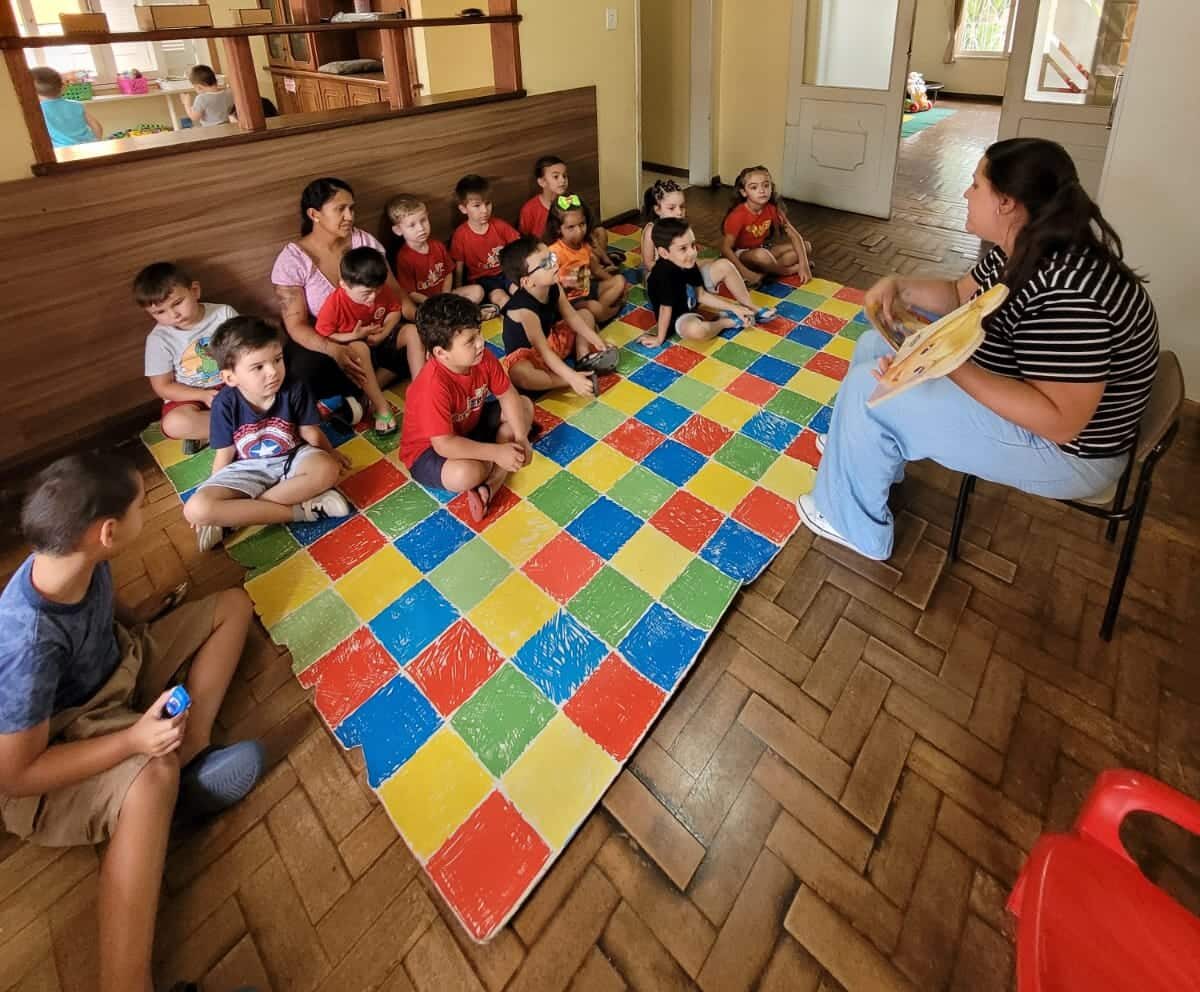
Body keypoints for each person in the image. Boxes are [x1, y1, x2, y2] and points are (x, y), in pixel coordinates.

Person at [799, 137, 1160, 561]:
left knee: (867, 391)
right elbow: (958, 294)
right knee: (870, 343)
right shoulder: (1024, 245)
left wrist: (942, 362)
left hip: (1071, 456)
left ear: (1006, 203)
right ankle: (868, 455)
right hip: (1034, 401)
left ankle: (853, 525)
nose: (965, 194)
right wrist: (901, 286)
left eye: (975, 185)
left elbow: (1061, 423)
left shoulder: (1071, 292)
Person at [0, 451, 263, 992]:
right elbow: (17, 777)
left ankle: (191, 757)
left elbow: (102, 600)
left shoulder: (73, 557)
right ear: (110, 532)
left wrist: (143, 620)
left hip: (120, 667)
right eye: (145, 503)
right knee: (151, 775)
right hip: (60, 744)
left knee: (233, 608)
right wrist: (133, 741)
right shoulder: (27, 644)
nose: (155, 507)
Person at [182, 316, 352, 552]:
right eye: (258, 367)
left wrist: (330, 453)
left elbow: (309, 432)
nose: (273, 371)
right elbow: (225, 453)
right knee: (195, 509)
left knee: (327, 469)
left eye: (278, 359)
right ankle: (300, 512)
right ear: (230, 377)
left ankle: (236, 518)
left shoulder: (295, 387)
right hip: (248, 468)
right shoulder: (224, 403)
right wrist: (213, 489)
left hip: (294, 457)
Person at [272, 177, 421, 417]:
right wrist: (333, 349)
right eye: (340, 209)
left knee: (422, 337)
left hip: (376, 332)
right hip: (332, 339)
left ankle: (365, 392)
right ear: (314, 214)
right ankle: (372, 383)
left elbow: (394, 292)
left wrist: (422, 319)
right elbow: (296, 325)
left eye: (352, 208)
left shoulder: (363, 241)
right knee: (300, 372)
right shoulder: (293, 260)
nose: (350, 216)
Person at [400, 295, 534, 520]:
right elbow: (444, 445)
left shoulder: (481, 357)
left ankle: (489, 486)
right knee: (467, 474)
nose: (481, 342)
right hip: (428, 452)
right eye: (470, 341)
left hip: (468, 428)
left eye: (479, 332)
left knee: (524, 406)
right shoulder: (431, 386)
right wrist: (497, 451)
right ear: (441, 353)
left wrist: (522, 439)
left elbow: (507, 394)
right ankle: (494, 472)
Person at [136, 261, 238, 455]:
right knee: (175, 424)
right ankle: (242, 425)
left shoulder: (223, 314)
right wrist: (201, 395)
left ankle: (230, 427)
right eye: (160, 312)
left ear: (195, 290)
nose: (173, 315)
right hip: (190, 395)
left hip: (232, 384)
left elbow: (245, 352)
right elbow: (163, 386)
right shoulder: (158, 340)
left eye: (177, 303)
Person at [640, 178, 775, 321]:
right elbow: (648, 263)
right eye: (672, 208)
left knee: (724, 265)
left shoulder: (683, 228)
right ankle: (691, 304)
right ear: (657, 209)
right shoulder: (651, 230)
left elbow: (690, 259)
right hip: (665, 283)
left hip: (688, 278)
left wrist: (704, 263)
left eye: (682, 206)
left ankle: (751, 307)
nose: (679, 212)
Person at [498, 236, 618, 397]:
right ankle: (568, 380)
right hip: (530, 356)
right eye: (545, 264)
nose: (554, 264)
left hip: (551, 342)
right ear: (527, 281)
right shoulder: (524, 310)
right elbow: (543, 351)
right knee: (520, 374)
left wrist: (597, 341)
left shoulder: (554, 286)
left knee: (585, 315)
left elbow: (572, 317)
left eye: (551, 257)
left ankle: (583, 358)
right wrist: (571, 378)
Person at [315, 246, 408, 434]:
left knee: (412, 332)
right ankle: (381, 406)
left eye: (377, 290)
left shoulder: (382, 291)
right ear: (343, 284)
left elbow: (395, 310)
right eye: (366, 293)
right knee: (359, 347)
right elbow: (325, 334)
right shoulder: (334, 304)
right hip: (356, 359)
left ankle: (423, 387)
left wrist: (384, 332)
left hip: (381, 346)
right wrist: (354, 336)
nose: (373, 297)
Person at [643, 218, 754, 347]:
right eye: (683, 248)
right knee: (697, 331)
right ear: (664, 253)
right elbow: (665, 309)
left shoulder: (687, 263)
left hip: (688, 302)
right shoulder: (663, 275)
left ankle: (748, 308)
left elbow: (701, 295)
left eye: (693, 245)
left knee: (724, 265)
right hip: (676, 314)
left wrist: (735, 308)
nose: (692, 252)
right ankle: (726, 322)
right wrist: (659, 338)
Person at [386, 193, 485, 310]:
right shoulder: (404, 257)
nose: (421, 228)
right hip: (427, 304)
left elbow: (448, 273)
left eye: (423, 220)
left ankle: (454, 312)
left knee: (478, 291)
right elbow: (410, 292)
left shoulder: (437, 245)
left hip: (445, 296)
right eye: (412, 225)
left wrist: (445, 295)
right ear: (398, 230)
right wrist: (433, 302)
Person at [720, 165, 813, 287]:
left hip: (763, 250)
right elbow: (725, 249)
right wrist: (746, 273)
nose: (762, 190)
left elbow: (794, 235)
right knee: (762, 255)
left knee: (806, 247)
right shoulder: (737, 215)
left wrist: (804, 265)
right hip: (742, 255)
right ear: (744, 192)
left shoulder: (772, 209)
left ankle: (767, 271)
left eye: (766, 185)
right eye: (754, 187)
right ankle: (787, 271)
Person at [545, 193, 628, 324]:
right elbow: (545, 284)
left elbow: (595, 268)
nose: (579, 231)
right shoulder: (553, 252)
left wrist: (613, 282)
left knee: (620, 280)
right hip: (569, 301)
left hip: (588, 289)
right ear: (558, 229)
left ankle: (600, 310)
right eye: (571, 227)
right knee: (594, 307)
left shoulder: (584, 245)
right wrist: (565, 283)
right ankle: (607, 312)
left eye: (582, 224)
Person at [517, 155, 618, 263]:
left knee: (600, 231)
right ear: (542, 182)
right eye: (556, 177)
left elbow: (590, 228)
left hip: (576, 245)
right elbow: (524, 240)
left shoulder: (573, 200)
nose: (562, 180)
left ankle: (596, 263)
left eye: (565, 176)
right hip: (552, 254)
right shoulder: (529, 209)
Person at [449, 174, 521, 309]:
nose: (484, 210)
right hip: (484, 280)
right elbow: (459, 267)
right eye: (477, 205)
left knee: (520, 292)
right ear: (463, 209)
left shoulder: (499, 225)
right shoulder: (460, 235)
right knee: (501, 298)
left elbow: (518, 247)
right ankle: (515, 321)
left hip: (506, 272)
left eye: (487, 203)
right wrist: (459, 292)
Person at [31, 67, 101, 148]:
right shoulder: (77, 105)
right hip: (87, 146)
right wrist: (96, 141)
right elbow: (96, 126)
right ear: (62, 87)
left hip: (63, 151)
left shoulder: (38, 110)